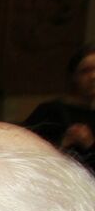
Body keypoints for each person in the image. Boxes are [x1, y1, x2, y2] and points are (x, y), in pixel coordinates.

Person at [23, 42, 95, 173]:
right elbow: (24, 154)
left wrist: (90, 145)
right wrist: (64, 142)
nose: (93, 77)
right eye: (85, 71)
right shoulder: (50, 111)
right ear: (73, 77)